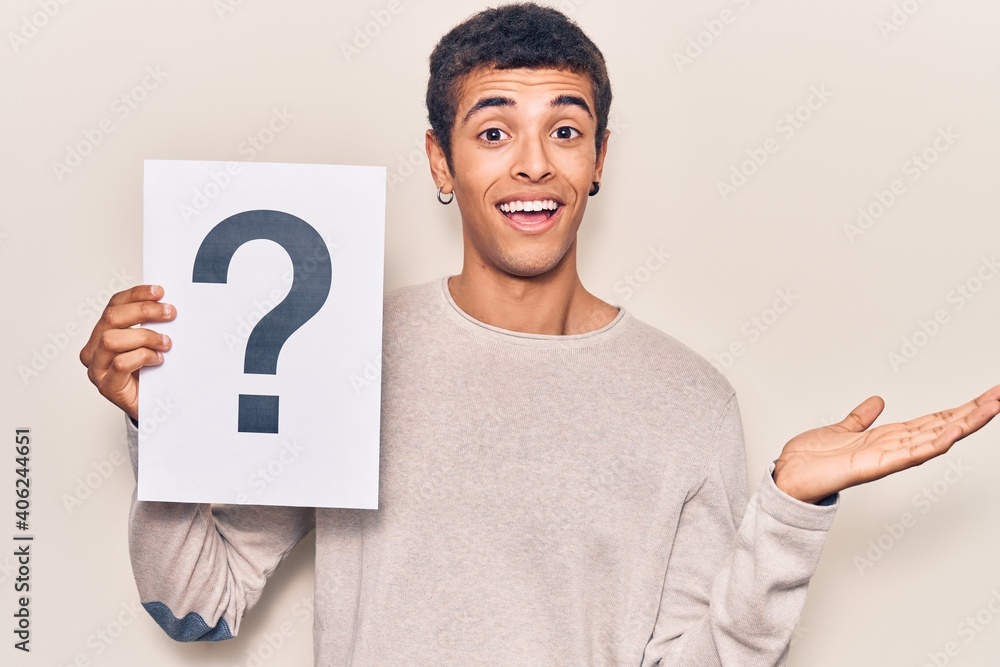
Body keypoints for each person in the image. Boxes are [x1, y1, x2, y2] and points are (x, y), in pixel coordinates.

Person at [79, 3, 999, 665]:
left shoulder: (691, 399)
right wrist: (167, 424)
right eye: (493, 133)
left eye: (565, 130)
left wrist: (792, 511)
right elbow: (194, 608)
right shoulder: (342, 349)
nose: (533, 164)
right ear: (440, 159)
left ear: (599, 159)